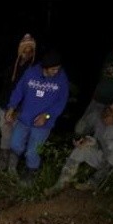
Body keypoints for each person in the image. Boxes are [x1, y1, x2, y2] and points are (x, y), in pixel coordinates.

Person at [44, 93, 113, 196]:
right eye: (112, 104)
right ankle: (61, 183)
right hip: (107, 160)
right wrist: (87, 141)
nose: (111, 107)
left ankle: (95, 182)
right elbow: (102, 141)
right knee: (82, 148)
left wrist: (110, 126)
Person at [4, 49, 70, 186]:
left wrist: (46, 115)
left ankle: (30, 173)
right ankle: (12, 169)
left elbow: (61, 102)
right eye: (53, 69)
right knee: (15, 144)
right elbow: (19, 90)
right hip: (24, 118)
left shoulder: (62, 79)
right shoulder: (31, 73)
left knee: (33, 152)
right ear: (44, 68)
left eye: (58, 68)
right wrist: (11, 107)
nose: (56, 72)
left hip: (43, 124)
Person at [0, 33, 36, 171]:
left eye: (30, 49)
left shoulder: (34, 68)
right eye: (25, 48)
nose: (27, 51)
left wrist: (17, 109)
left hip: (20, 109)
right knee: (5, 135)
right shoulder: (12, 62)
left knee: (17, 138)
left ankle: (12, 169)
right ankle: (2, 166)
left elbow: (29, 92)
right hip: (4, 104)